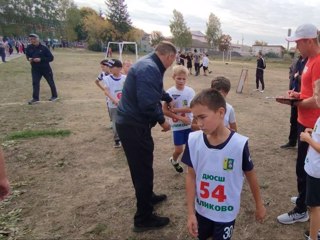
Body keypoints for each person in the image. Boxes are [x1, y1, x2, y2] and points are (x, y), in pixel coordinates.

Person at [182, 88, 266, 240]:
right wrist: (190, 213)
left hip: (225, 213)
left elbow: (251, 175)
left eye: (202, 117)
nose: (198, 123)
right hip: (202, 211)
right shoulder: (193, 140)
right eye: (195, 118)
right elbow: (191, 176)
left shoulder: (238, 144)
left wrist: (259, 205)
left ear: (221, 113)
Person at [116, 41, 176, 232]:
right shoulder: (150, 68)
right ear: (168, 56)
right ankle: (143, 218)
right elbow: (148, 103)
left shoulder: (148, 64)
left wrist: (166, 96)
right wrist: (163, 121)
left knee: (144, 164)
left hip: (132, 124)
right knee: (142, 170)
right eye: (173, 60)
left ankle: (147, 196)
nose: (172, 64)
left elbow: (152, 89)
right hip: (133, 126)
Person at [277, 24, 320, 228]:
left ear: (309, 41)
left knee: (307, 169)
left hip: (313, 126)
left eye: (298, 42)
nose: (296, 46)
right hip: (305, 120)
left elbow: (319, 99)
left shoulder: (318, 61)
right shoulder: (309, 60)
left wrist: (297, 103)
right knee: (303, 166)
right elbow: (311, 93)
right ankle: (304, 199)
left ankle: (303, 209)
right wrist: (297, 96)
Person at [162, 65, 195, 173]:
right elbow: (164, 111)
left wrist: (174, 110)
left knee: (191, 147)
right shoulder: (169, 92)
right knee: (179, 149)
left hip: (189, 124)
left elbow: (191, 109)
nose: (181, 81)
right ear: (173, 77)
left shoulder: (190, 91)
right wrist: (180, 117)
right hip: (177, 126)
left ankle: (191, 166)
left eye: (184, 79)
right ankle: (174, 160)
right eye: (179, 78)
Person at [300, 79, 320, 240]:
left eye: (316, 95)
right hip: (315, 168)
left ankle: (313, 237)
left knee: (314, 207)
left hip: (317, 170)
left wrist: (307, 138)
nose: (315, 98)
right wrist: (312, 133)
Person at [281, 55, 308, 149]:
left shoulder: (310, 61)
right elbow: (292, 71)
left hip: (304, 98)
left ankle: (303, 144)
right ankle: (292, 141)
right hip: (294, 95)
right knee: (293, 119)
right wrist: (292, 76)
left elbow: (306, 79)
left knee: (302, 122)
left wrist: (297, 77)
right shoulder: (298, 60)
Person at [25, 33, 58, 105]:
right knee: (35, 83)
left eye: (33, 39)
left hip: (45, 68)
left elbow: (51, 58)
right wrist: (29, 59)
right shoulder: (29, 47)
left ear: (37, 39)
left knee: (50, 82)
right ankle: (35, 98)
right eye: (30, 39)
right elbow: (27, 56)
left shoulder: (44, 48)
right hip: (35, 69)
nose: (32, 40)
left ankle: (55, 96)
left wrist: (40, 59)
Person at [103, 59, 126, 148]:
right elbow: (106, 91)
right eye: (109, 67)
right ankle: (117, 139)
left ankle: (124, 138)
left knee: (124, 122)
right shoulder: (107, 79)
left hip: (124, 105)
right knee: (115, 122)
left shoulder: (125, 78)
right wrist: (114, 100)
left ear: (119, 68)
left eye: (112, 67)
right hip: (113, 105)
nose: (110, 69)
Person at [95, 59, 112, 128]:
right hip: (108, 96)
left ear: (108, 66)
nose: (102, 69)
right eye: (101, 67)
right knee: (110, 109)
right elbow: (96, 81)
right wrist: (103, 89)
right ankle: (112, 122)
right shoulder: (102, 74)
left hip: (117, 94)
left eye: (103, 67)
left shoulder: (114, 72)